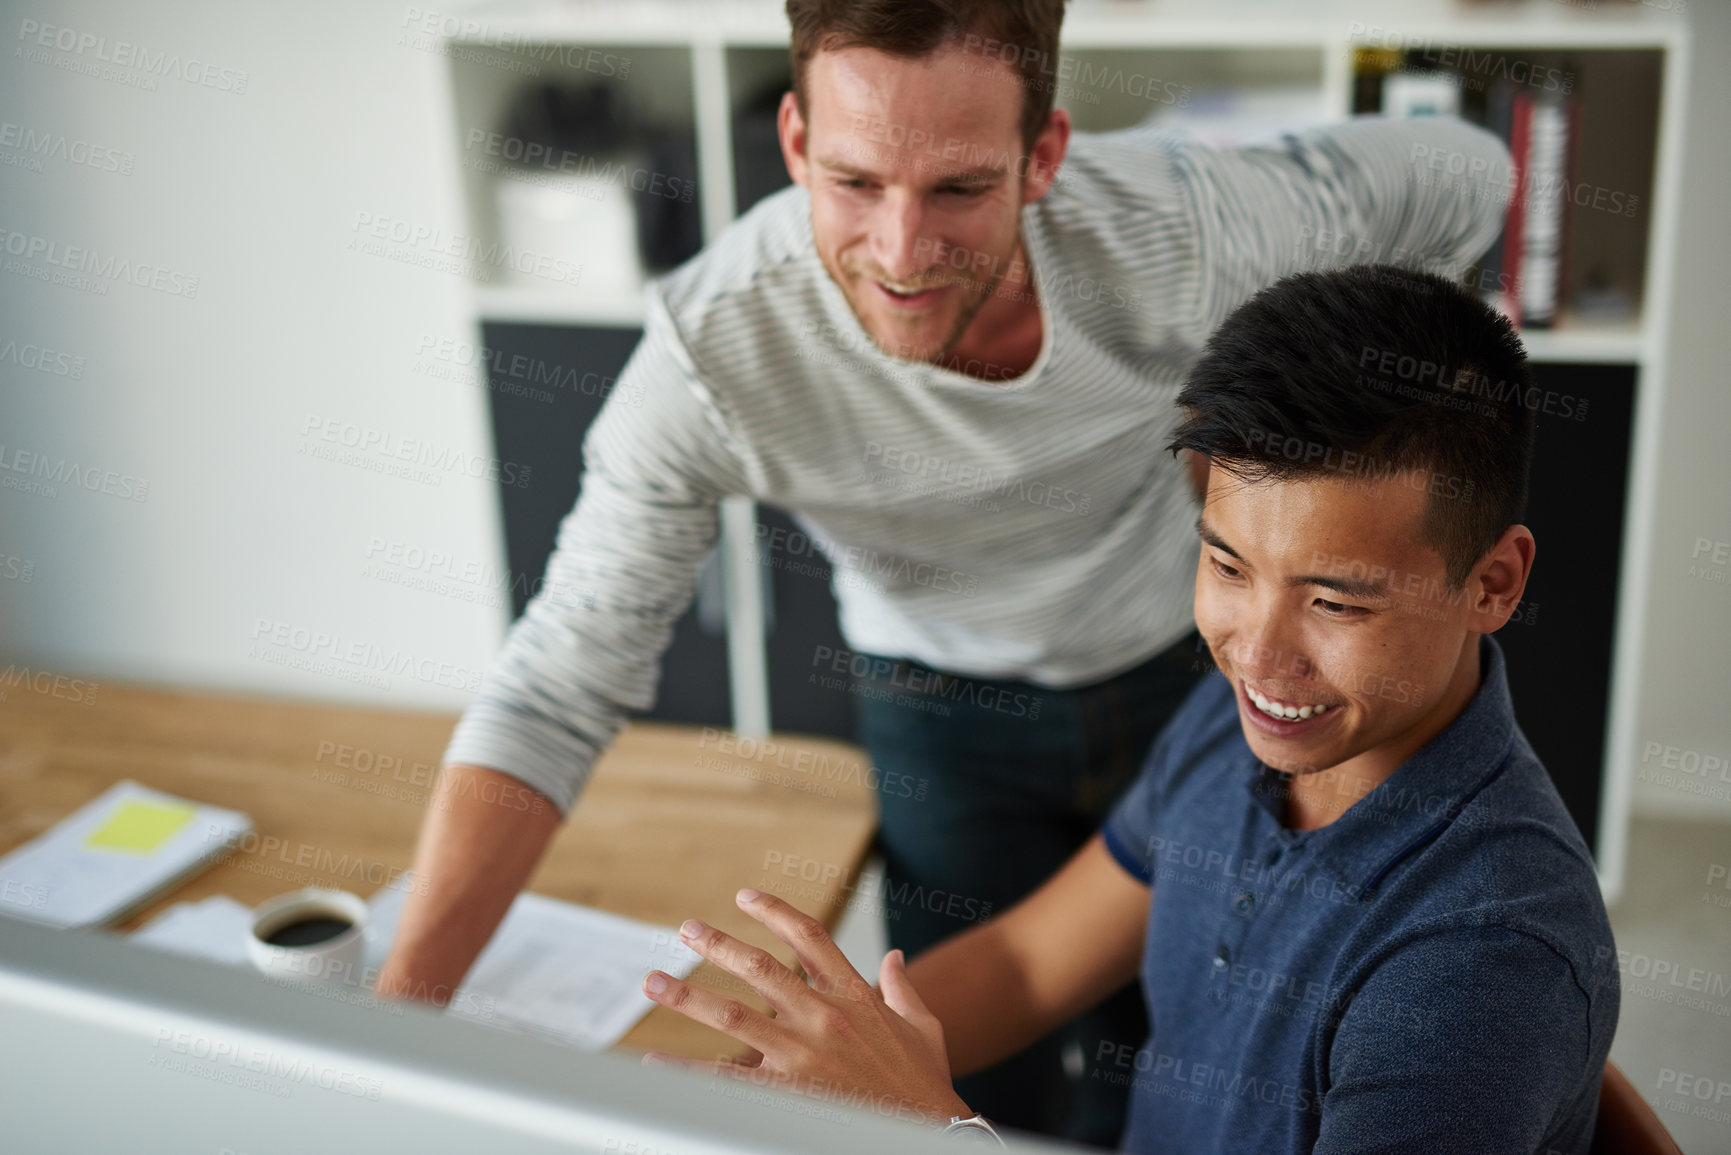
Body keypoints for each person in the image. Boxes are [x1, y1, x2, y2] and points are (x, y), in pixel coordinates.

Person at [376, 1, 1513, 1142]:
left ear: (1044, 157)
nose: (903, 250)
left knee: (1168, 1061)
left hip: (1196, 677)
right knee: (952, 1079)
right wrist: (397, 1031)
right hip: (940, 712)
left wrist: (1375, 439)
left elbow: (1471, 169)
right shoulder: (716, 354)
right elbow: (554, 682)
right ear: (793, 146)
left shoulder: (1191, 226)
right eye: (856, 182)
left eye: (962, 190)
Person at [636, 265, 1621, 1154]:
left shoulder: (1479, 967)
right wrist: (778, 1078)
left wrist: (931, 1128)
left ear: (1494, 583)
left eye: (1335, 600)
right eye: (1228, 565)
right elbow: (1028, 965)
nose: (1258, 654)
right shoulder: (1240, 724)